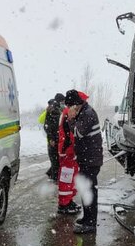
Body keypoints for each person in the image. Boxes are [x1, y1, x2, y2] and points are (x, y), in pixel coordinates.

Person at [64, 89, 103, 234]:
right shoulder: (83, 111)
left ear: (76, 104)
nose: (69, 109)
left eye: (70, 106)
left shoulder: (87, 114)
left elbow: (78, 133)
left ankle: (91, 224)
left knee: (90, 191)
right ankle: (87, 218)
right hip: (86, 158)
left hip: (91, 160)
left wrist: (71, 119)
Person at [56, 91, 90, 215]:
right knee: (66, 178)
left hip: (69, 151)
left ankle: (68, 201)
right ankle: (64, 204)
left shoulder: (68, 112)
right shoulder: (68, 114)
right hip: (68, 152)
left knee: (70, 177)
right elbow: (71, 134)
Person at [44, 94, 65, 182]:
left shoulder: (55, 110)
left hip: (56, 139)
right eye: (63, 102)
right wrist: (51, 138)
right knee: (56, 161)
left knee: (56, 161)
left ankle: (52, 175)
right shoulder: (54, 111)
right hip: (55, 140)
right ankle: (54, 179)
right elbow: (49, 126)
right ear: (59, 101)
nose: (64, 104)